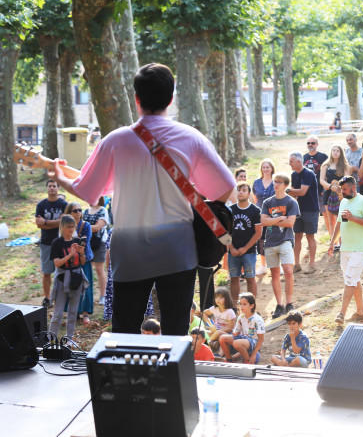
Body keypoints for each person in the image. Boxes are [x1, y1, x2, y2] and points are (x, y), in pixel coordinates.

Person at [50, 63, 236, 336]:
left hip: (130, 251)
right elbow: (225, 189)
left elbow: (87, 190)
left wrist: (61, 176)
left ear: (136, 99)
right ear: (171, 99)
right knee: (176, 331)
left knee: (125, 330)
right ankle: (172, 379)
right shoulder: (191, 138)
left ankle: (129, 378)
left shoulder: (116, 141)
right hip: (177, 250)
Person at [328, 177, 363, 324]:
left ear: (353, 187)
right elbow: (338, 224)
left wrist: (353, 218)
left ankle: (341, 313)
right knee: (353, 279)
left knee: (349, 279)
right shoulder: (343, 201)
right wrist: (332, 242)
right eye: (341, 189)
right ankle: (361, 312)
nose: (342, 192)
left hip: (360, 249)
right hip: (346, 248)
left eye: (344, 189)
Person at [261, 174, 300, 318]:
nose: (276, 184)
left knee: (288, 270)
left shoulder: (291, 202)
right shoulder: (267, 202)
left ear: (285, 186)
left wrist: (271, 220)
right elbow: (263, 221)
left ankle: (289, 303)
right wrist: (279, 218)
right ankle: (279, 305)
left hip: (285, 239)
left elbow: (290, 223)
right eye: (275, 182)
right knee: (275, 274)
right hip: (270, 241)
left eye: (279, 182)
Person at [48, 214, 87, 341]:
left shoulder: (77, 241)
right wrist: (70, 255)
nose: (71, 229)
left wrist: (81, 254)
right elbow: (57, 263)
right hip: (62, 277)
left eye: (73, 226)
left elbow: (82, 262)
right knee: (58, 312)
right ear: (62, 227)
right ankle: (51, 338)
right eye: (68, 227)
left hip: (76, 277)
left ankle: (69, 338)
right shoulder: (57, 243)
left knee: (73, 312)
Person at [228, 181, 263, 301]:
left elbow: (258, 232)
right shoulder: (230, 210)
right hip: (232, 251)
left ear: (249, 193)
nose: (241, 192)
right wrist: (231, 248)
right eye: (239, 190)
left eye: (244, 190)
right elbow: (225, 232)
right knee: (234, 278)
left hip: (249, 252)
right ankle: (234, 306)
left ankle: (251, 305)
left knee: (250, 278)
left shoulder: (255, 210)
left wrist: (246, 248)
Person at [35, 179, 67, 307]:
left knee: (64, 272)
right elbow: (38, 224)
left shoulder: (64, 204)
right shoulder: (41, 205)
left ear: (58, 188)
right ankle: (47, 298)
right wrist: (56, 223)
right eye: (50, 186)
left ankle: (62, 298)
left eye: (54, 186)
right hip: (46, 242)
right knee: (47, 271)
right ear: (46, 188)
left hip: (62, 242)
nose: (52, 188)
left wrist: (46, 223)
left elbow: (63, 222)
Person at [288, 152, 320, 274]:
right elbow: (295, 194)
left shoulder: (308, 174)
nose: (289, 163)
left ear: (298, 162)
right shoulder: (293, 175)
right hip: (299, 210)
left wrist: (286, 190)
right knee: (297, 236)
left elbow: (301, 192)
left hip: (310, 209)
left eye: (291, 161)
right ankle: (296, 264)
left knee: (310, 236)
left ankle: (312, 264)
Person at [62, 203, 93, 325]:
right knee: (72, 286)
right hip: (69, 260)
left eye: (80, 210)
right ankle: (74, 313)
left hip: (83, 259)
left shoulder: (86, 225)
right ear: (69, 213)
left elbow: (84, 241)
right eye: (75, 210)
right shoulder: (65, 226)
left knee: (86, 285)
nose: (78, 212)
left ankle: (85, 313)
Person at [219, 292, 264, 364]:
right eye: (240, 304)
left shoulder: (257, 319)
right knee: (222, 338)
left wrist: (253, 355)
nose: (241, 306)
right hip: (243, 339)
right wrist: (233, 332)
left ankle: (248, 361)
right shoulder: (241, 317)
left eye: (244, 304)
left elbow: (261, 339)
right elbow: (235, 333)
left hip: (253, 342)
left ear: (252, 306)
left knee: (237, 343)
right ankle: (229, 360)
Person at [320, 146, 350, 244]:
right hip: (328, 193)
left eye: (337, 151)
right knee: (331, 220)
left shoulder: (345, 166)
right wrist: (330, 186)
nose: (335, 152)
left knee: (341, 219)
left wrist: (339, 187)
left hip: (341, 194)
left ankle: (343, 242)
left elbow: (346, 179)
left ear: (341, 153)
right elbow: (321, 180)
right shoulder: (325, 165)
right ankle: (334, 243)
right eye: (333, 150)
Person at [82, 197, 109, 306]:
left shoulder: (103, 210)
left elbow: (98, 227)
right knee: (87, 269)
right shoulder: (85, 211)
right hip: (86, 243)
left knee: (99, 269)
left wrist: (85, 226)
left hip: (99, 243)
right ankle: (88, 295)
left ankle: (103, 296)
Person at [252, 159, 276, 275]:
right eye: (263, 167)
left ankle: (277, 264)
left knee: (275, 237)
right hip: (260, 214)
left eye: (268, 167)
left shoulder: (276, 181)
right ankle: (263, 265)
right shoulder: (257, 182)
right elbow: (255, 198)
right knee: (261, 239)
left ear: (272, 168)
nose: (265, 169)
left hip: (274, 213)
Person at [202, 286, 236, 352]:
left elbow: (231, 329)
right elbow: (204, 313)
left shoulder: (229, 312)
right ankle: (213, 343)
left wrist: (218, 331)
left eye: (221, 298)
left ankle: (208, 344)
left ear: (226, 299)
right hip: (215, 331)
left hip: (226, 334)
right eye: (216, 297)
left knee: (218, 333)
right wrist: (210, 324)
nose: (218, 300)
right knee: (201, 332)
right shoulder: (214, 308)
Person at [303, 136, 329, 210]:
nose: (310, 145)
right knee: (310, 213)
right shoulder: (303, 157)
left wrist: (325, 188)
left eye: (312, 143)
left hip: (320, 190)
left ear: (317, 144)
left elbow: (328, 173)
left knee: (325, 213)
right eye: (308, 143)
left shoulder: (323, 157)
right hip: (307, 191)